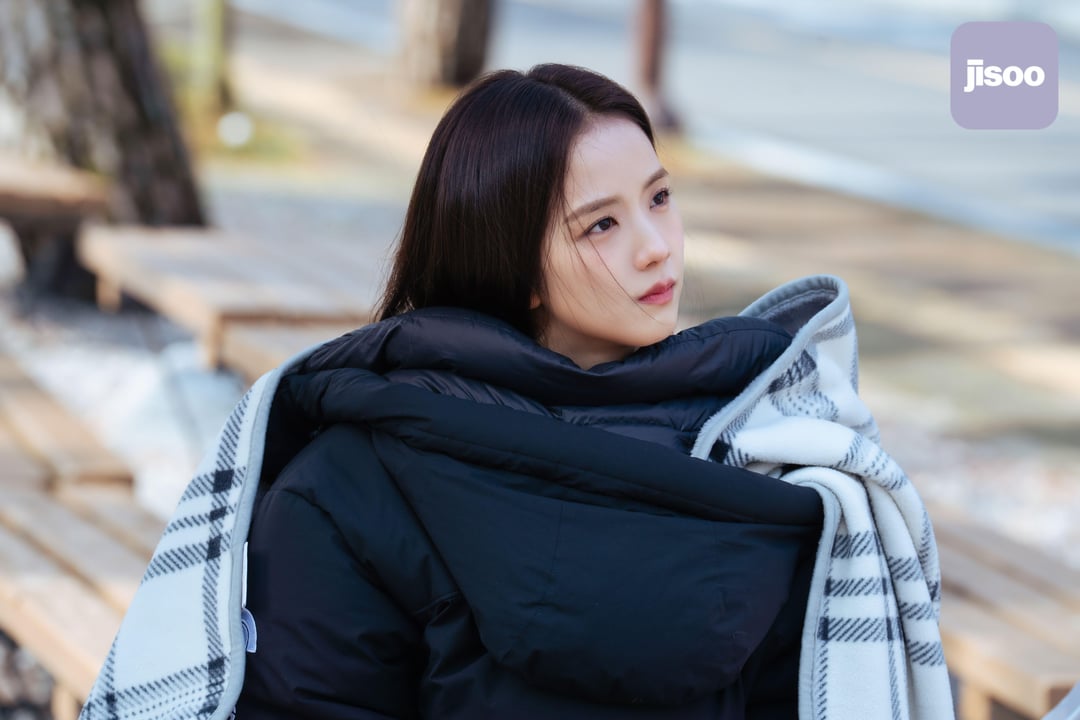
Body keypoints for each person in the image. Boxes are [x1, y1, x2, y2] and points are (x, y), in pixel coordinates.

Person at [78, 64, 953, 720]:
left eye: (659, 198)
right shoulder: (778, 456)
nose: (656, 246)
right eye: (602, 224)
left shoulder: (344, 481)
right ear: (515, 265)